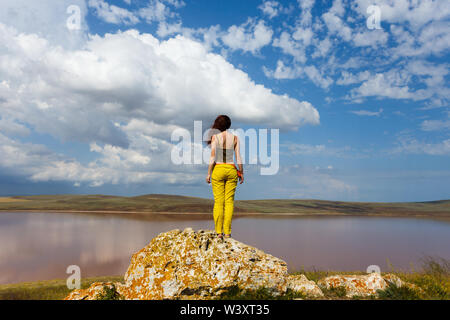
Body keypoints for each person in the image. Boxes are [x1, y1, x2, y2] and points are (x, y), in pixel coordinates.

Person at [206, 115, 244, 239]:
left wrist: (208, 173)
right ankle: (227, 233)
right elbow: (238, 157)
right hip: (231, 169)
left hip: (218, 169)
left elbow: (212, 157)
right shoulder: (235, 138)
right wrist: (241, 172)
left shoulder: (214, 137)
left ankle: (219, 233)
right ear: (229, 125)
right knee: (229, 202)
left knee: (218, 202)